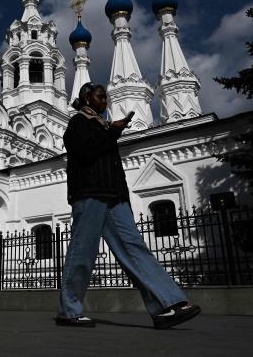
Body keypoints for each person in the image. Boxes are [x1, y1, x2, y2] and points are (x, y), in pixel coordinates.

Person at [55, 83, 201, 329]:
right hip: (90, 194)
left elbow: (112, 166)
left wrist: (124, 198)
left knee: (135, 247)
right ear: (86, 98)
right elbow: (87, 154)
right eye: (101, 97)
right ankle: (69, 311)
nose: (106, 102)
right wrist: (113, 132)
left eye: (106, 98)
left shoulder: (103, 127)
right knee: (83, 252)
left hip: (114, 197)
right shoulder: (78, 123)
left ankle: (165, 306)